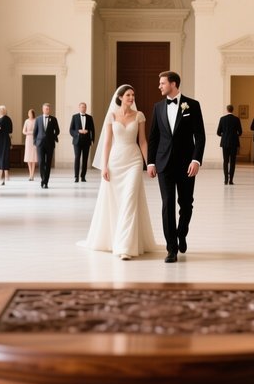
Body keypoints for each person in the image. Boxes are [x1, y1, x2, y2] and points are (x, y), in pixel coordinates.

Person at [81, 85, 157, 260]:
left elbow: (143, 141)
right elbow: (107, 142)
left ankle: (125, 248)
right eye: (128, 95)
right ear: (120, 97)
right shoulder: (112, 116)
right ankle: (116, 239)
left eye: (133, 95)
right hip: (115, 162)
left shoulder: (139, 116)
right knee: (117, 202)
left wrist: (149, 163)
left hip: (134, 161)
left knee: (130, 199)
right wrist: (104, 166)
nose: (132, 98)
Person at [147, 71, 206, 263]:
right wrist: (151, 162)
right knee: (167, 204)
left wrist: (196, 160)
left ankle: (182, 233)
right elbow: (153, 137)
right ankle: (171, 248)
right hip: (164, 164)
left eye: (162, 83)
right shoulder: (157, 107)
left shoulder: (193, 105)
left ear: (173, 84)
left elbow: (200, 136)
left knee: (186, 203)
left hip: (186, 164)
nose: (159, 86)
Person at [33, 103, 59, 188]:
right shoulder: (38, 119)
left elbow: (57, 131)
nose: (47, 110)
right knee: (41, 162)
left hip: (50, 144)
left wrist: (53, 136)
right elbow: (35, 132)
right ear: (43, 109)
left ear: (49, 110)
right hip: (40, 144)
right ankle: (43, 179)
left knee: (48, 163)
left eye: (48, 109)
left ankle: (46, 182)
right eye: (45, 108)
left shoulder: (53, 119)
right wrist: (35, 142)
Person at [69, 102, 95, 183]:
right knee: (77, 158)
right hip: (77, 141)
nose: (83, 108)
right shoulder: (74, 117)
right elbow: (71, 130)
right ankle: (76, 177)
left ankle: (83, 176)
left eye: (84, 107)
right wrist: (78, 131)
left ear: (86, 108)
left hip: (87, 141)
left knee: (85, 159)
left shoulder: (90, 117)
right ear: (79, 108)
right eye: (82, 107)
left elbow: (93, 130)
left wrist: (92, 140)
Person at [217, 104, 242, 184]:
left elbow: (218, 132)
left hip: (225, 143)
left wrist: (223, 135)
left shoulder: (222, 119)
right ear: (232, 110)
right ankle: (231, 180)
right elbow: (240, 132)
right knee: (232, 161)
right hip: (234, 143)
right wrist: (235, 135)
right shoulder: (236, 119)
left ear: (227, 110)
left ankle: (225, 180)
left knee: (225, 161)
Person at [22, 108, 37, 180]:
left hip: (34, 140)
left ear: (33, 114)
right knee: (28, 157)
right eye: (28, 113)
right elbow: (23, 131)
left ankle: (32, 174)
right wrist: (30, 133)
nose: (29, 114)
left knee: (33, 157)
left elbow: (37, 131)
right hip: (28, 139)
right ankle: (30, 173)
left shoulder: (36, 121)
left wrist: (32, 133)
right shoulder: (26, 121)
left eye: (30, 113)